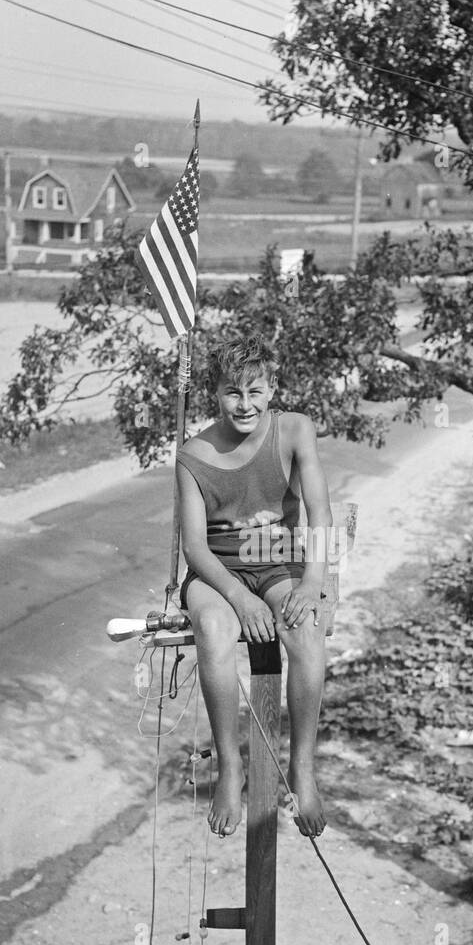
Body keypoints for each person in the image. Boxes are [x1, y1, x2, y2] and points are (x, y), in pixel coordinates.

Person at [175, 342, 333, 840]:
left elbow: (320, 513)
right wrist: (238, 599)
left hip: (279, 562)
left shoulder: (294, 429)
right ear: (215, 395)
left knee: (306, 631)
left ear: (272, 390)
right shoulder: (192, 455)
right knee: (213, 627)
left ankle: (303, 771)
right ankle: (230, 766)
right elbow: (194, 547)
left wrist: (313, 580)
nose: (245, 404)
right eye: (232, 393)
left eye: (255, 391)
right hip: (218, 572)